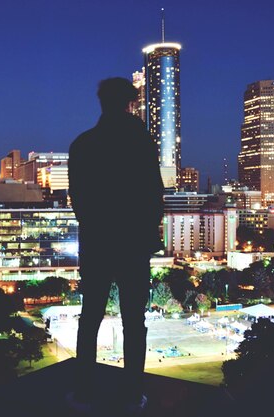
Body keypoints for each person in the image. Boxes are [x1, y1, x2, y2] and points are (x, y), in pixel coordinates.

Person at [66, 77, 164, 414]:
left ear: (102, 103)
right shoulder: (141, 141)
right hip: (133, 245)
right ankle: (132, 395)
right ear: (130, 104)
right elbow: (155, 195)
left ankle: (83, 393)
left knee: (89, 317)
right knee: (134, 322)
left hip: (96, 243)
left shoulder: (82, 144)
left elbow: (78, 199)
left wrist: (96, 227)